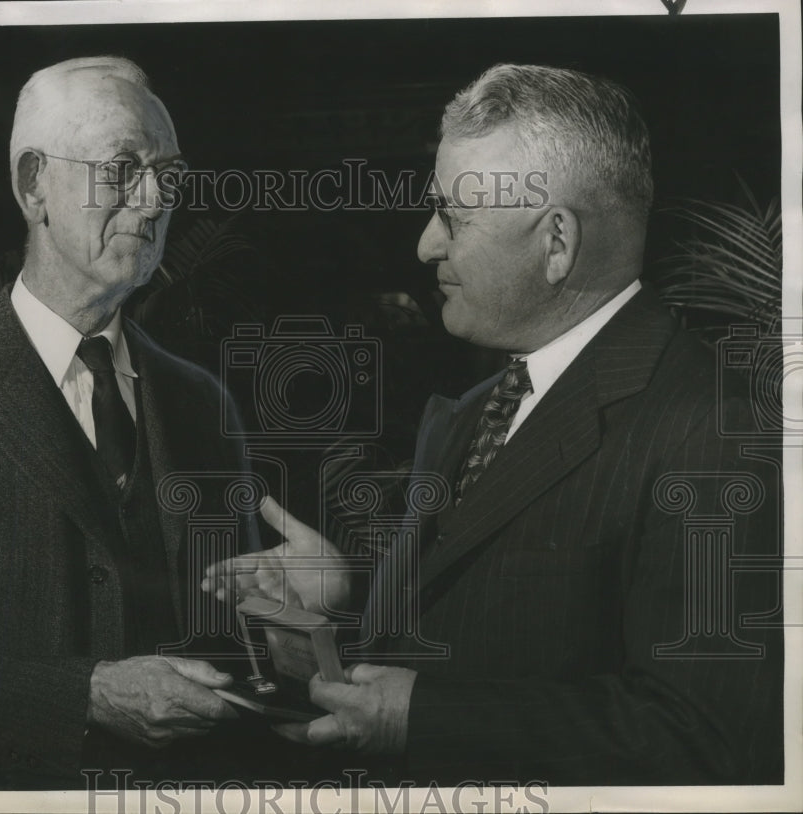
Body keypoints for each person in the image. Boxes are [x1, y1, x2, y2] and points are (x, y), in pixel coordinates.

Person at [204, 63, 783, 785]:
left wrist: (420, 720)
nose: (425, 244)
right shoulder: (473, 411)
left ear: (558, 243)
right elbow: (479, 641)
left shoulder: (714, 428)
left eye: (454, 216)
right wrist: (342, 607)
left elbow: (705, 743)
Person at [0, 56, 258, 790]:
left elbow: (241, 652)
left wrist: (293, 627)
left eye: (170, 175)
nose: (155, 200)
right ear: (35, 186)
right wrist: (87, 694)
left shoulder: (201, 405)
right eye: (123, 167)